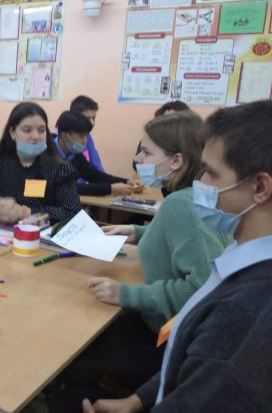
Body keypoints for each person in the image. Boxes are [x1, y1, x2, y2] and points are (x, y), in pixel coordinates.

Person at [80, 99, 272, 413]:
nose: (201, 183)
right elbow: (189, 352)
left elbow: (200, 382)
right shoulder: (242, 253)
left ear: (260, 188)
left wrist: (126, 294)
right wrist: (135, 400)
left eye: (211, 173)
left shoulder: (244, 309)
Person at [47, 111, 231, 413]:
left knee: (81, 342)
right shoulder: (195, 197)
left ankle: (76, 397)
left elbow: (201, 289)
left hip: (169, 341)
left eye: (146, 152)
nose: (137, 159)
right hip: (180, 334)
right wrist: (139, 231)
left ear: (176, 161)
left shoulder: (179, 205)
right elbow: (191, 240)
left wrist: (126, 294)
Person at [0, 101, 82, 225]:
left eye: (41, 130)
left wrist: (25, 212)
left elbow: (73, 213)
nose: (36, 136)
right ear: (12, 132)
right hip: (4, 236)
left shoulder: (60, 169)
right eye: (27, 130)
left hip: (45, 237)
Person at [53, 110, 143, 196]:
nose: (85, 141)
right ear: (65, 136)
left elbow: (94, 175)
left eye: (86, 136)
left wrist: (126, 182)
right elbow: (66, 188)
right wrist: (110, 189)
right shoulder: (47, 154)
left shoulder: (75, 154)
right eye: (81, 137)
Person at [133, 101, 189, 171]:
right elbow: (135, 165)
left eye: (171, 121)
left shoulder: (189, 147)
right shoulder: (149, 142)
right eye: (162, 120)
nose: (164, 125)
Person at [69, 95, 104, 175]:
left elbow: (96, 163)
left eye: (94, 118)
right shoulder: (63, 137)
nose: (92, 123)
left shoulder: (87, 135)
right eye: (87, 118)